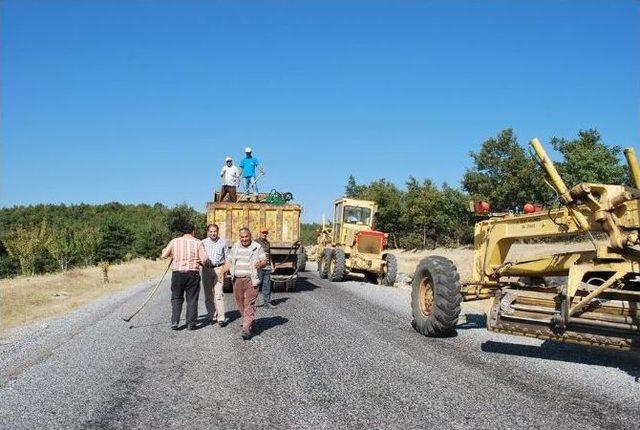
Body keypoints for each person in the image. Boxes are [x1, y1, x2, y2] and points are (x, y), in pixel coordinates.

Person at [161, 223, 208, 331]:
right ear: (193, 231)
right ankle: (191, 323)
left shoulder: (175, 241)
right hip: (193, 274)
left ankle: (175, 321)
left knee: (176, 297)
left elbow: (164, 255)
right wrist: (199, 261)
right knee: (192, 299)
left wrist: (171, 254)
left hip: (178, 274)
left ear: (182, 232)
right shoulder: (198, 242)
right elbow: (205, 259)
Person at [224, 227, 267, 340]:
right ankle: (250, 321)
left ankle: (246, 328)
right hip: (237, 279)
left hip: (251, 279)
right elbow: (229, 260)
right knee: (240, 303)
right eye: (242, 237)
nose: (244, 239)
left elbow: (264, 260)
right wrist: (223, 270)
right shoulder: (235, 246)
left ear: (250, 236)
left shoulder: (257, 247)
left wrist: (260, 264)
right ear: (240, 237)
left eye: (246, 236)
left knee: (249, 304)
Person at [201, 223, 229, 327]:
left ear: (218, 232)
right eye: (211, 231)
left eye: (215, 231)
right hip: (206, 270)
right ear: (208, 232)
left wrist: (225, 271)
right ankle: (212, 316)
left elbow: (227, 258)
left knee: (219, 294)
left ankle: (221, 318)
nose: (213, 233)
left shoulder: (223, 242)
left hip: (219, 269)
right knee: (208, 294)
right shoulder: (203, 242)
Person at [255, 228, 275, 308]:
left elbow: (269, 255)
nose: (264, 234)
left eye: (266, 233)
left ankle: (267, 303)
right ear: (259, 233)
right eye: (263, 233)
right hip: (258, 267)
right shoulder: (255, 242)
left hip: (267, 267)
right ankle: (252, 303)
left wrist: (272, 266)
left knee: (267, 285)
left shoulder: (267, 243)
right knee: (255, 285)